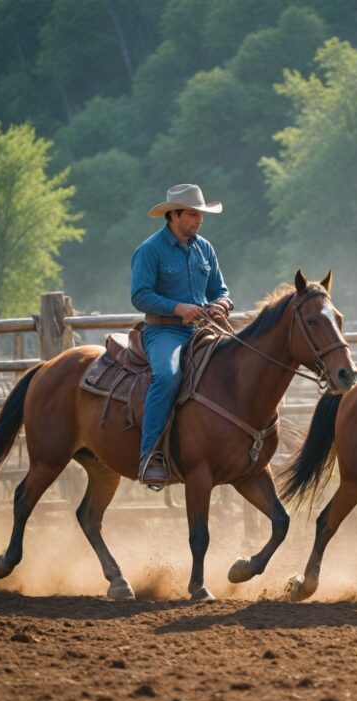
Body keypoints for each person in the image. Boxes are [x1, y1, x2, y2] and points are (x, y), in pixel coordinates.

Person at [131, 183, 234, 488]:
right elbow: (140, 296)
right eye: (192, 214)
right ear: (173, 215)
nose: (199, 220)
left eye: (201, 215)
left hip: (204, 330)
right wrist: (178, 308)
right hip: (164, 331)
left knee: (240, 367)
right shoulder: (150, 250)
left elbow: (221, 289)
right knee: (168, 375)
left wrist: (221, 305)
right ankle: (150, 456)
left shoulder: (205, 248)